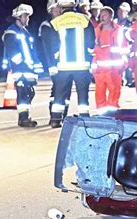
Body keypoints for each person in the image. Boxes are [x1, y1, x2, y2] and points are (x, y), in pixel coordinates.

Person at [49, 0, 96, 128]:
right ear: (74, 5)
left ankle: (55, 119)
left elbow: (53, 45)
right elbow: (91, 41)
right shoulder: (85, 20)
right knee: (82, 94)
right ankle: (84, 119)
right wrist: (89, 54)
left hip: (63, 66)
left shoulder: (55, 22)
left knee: (59, 94)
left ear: (61, 6)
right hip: (81, 65)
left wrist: (56, 57)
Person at [2, 4, 43, 128]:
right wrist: (24, 64)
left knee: (29, 93)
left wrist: (36, 65)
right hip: (20, 70)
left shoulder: (25, 32)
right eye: (26, 16)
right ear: (19, 17)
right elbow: (13, 52)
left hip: (28, 69)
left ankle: (25, 116)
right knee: (23, 93)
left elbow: (31, 51)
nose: (28, 19)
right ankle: (23, 118)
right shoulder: (11, 32)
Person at [39, 0, 71, 124]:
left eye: (60, 9)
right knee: (58, 90)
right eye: (56, 9)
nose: (58, 11)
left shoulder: (64, 23)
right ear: (50, 11)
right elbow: (47, 48)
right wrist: (51, 66)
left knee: (66, 91)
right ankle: (55, 117)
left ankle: (64, 116)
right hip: (55, 64)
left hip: (65, 62)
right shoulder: (47, 26)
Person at [91, 7, 128, 113]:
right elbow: (93, 51)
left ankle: (113, 115)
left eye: (105, 15)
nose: (101, 17)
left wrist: (123, 65)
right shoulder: (96, 31)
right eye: (101, 15)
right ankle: (102, 116)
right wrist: (94, 68)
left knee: (114, 94)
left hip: (114, 70)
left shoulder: (119, 31)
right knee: (99, 95)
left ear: (111, 17)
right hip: (100, 71)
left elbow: (124, 49)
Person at [115, 2, 135, 87]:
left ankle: (131, 79)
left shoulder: (131, 24)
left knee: (130, 65)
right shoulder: (114, 23)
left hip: (128, 50)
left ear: (127, 12)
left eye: (123, 11)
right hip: (117, 51)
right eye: (119, 11)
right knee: (119, 65)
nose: (121, 13)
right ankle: (120, 80)